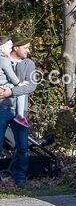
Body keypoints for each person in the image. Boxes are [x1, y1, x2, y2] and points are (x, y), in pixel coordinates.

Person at [0, 34, 38, 188]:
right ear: (15, 47)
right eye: (25, 48)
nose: (28, 50)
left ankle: (19, 179)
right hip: (2, 108)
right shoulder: (3, 60)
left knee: (22, 147)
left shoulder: (29, 64)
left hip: (21, 111)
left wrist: (10, 92)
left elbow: (31, 86)